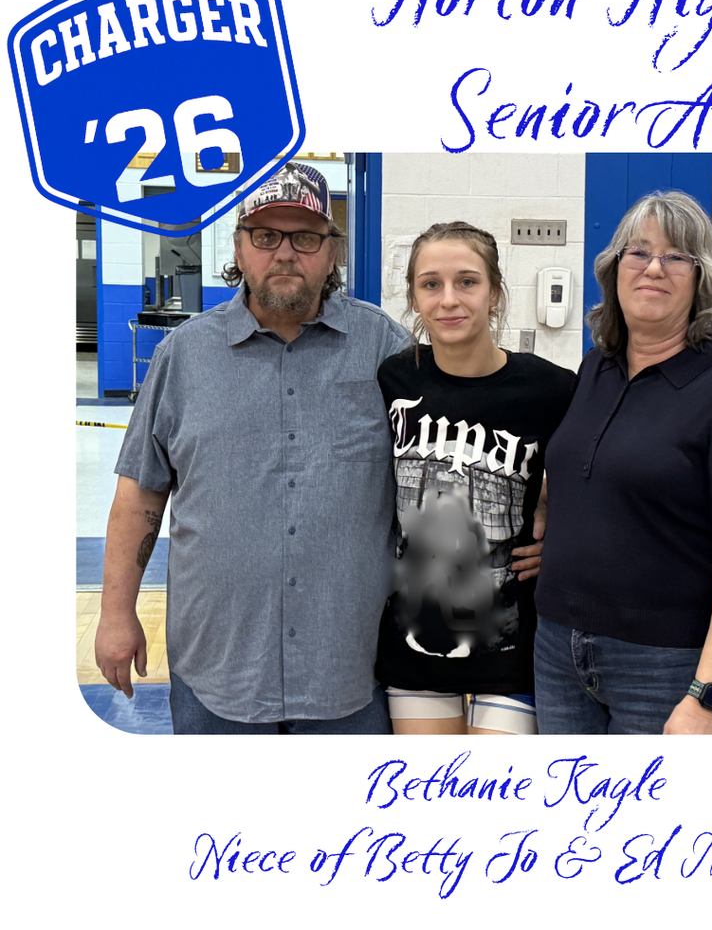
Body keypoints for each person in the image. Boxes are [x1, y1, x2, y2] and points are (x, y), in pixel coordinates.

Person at [94, 162, 410, 733]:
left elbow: (435, 478)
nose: (285, 253)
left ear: (332, 251)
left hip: (349, 673)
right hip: (218, 675)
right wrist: (116, 613)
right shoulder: (184, 356)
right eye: (266, 236)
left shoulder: (387, 350)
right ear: (239, 248)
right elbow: (141, 494)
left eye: (307, 237)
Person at [533, 191, 712, 735]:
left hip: (667, 666)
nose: (653, 267)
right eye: (639, 252)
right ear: (614, 270)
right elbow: (595, 467)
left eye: (676, 256)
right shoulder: (596, 368)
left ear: (703, 279)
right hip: (557, 649)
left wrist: (708, 696)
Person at [375, 221, 576, 735]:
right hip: (414, 635)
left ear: (495, 294)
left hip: (510, 640)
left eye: (467, 281)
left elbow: (598, 481)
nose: (448, 300)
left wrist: (564, 542)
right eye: (430, 284)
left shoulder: (551, 389)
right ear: (415, 298)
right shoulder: (394, 379)